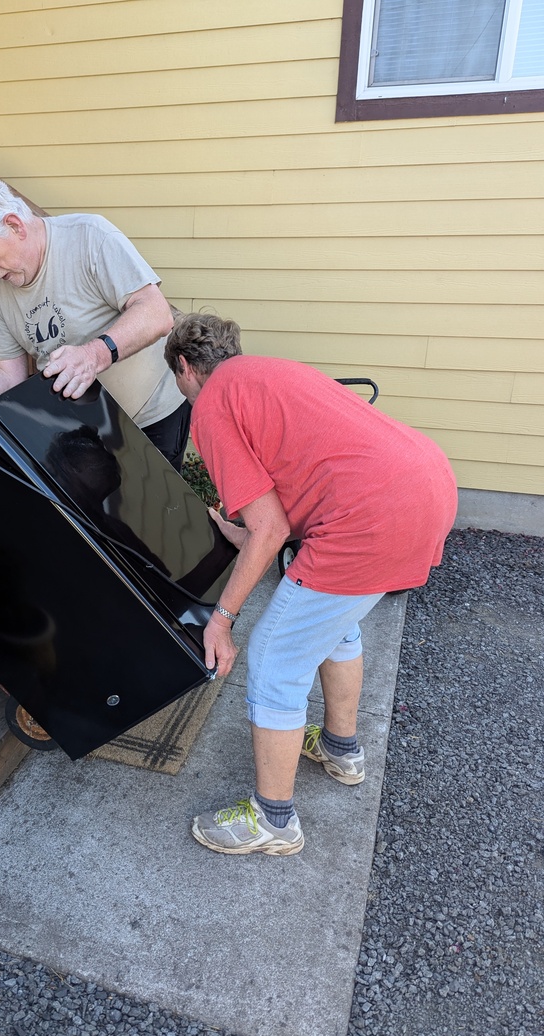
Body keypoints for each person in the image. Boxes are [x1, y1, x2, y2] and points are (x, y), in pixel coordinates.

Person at [164, 312, 458, 856]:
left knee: (276, 657)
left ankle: (273, 821)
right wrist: (242, 531)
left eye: (177, 381)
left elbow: (271, 529)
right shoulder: (270, 373)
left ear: (184, 367)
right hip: (427, 483)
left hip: (372, 518)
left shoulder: (211, 403)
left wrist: (222, 620)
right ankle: (342, 751)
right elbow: (302, 482)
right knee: (331, 625)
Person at [0, 176, 191, 471]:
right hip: (83, 431)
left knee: (152, 514)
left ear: (16, 225)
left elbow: (156, 313)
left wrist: (95, 354)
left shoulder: (90, 237)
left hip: (152, 415)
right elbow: (5, 372)